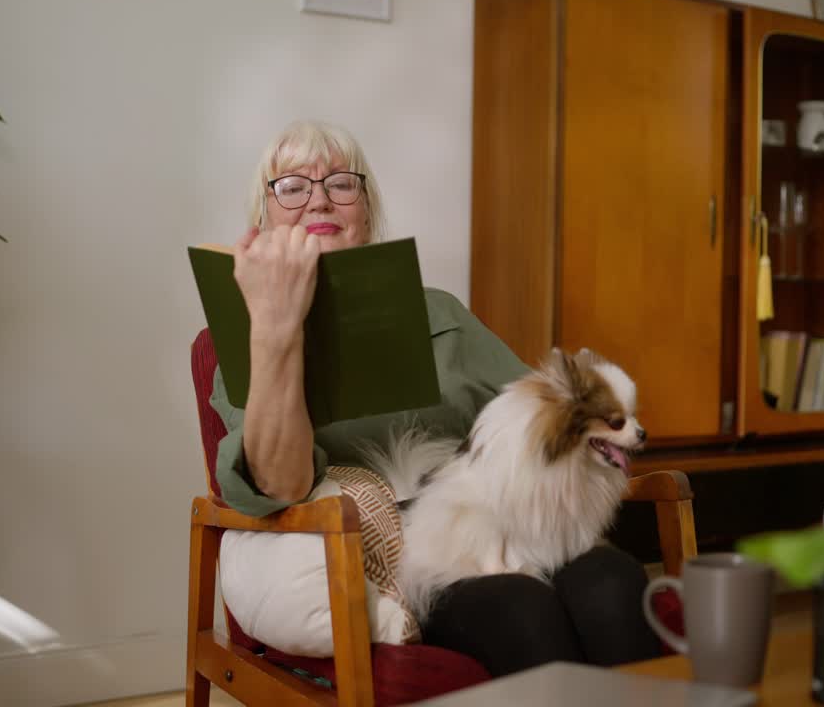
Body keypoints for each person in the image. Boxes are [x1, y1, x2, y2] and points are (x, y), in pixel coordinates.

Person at [210, 119, 662, 677]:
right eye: (293, 186)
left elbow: (539, 418)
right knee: (522, 608)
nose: (320, 200)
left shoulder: (441, 312)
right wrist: (277, 327)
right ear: (264, 218)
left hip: (503, 523)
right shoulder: (242, 335)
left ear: (367, 211)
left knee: (613, 582)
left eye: (341, 184)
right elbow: (280, 484)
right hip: (400, 561)